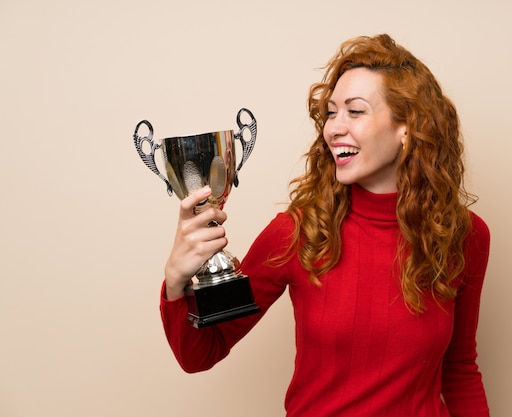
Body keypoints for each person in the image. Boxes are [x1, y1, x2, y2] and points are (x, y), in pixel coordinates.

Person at [160, 33, 491, 417]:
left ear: (407, 127)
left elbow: (460, 368)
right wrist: (175, 282)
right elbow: (202, 352)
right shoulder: (294, 232)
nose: (334, 128)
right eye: (331, 112)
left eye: (355, 111)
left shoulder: (463, 236)